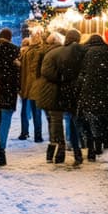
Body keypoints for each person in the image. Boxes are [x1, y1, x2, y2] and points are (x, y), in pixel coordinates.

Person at [41, 28, 87, 166]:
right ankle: (77, 151)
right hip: (74, 91)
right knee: (73, 121)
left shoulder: (53, 53)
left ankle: (59, 149)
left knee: (56, 121)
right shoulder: (81, 53)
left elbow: (45, 71)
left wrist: (59, 79)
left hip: (56, 91)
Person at [76, 33, 108, 161]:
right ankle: (104, 142)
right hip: (107, 91)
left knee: (90, 120)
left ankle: (92, 149)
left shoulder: (85, 52)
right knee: (105, 117)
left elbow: (80, 72)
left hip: (89, 91)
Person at [35, 31, 66, 163]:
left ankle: (52, 147)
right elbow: (52, 73)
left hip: (44, 90)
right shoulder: (58, 54)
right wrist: (62, 79)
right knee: (56, 120)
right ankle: (58, 148)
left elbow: (38, 72)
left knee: (51, 119)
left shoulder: (42, 52)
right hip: (54, 91)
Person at [0, 28, 21, 165]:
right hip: (9, 89)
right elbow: (18, 73)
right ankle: (1, 149)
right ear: (10, 37)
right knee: (5, 121)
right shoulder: (15, 51)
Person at [21, 28, 46, 143]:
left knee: (27, 111)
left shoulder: (27, 51)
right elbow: (34, 70)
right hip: (35, 85)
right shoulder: (39, 51)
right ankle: (38, 135)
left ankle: (25, 132)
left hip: (27, 84)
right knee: (37, 112)